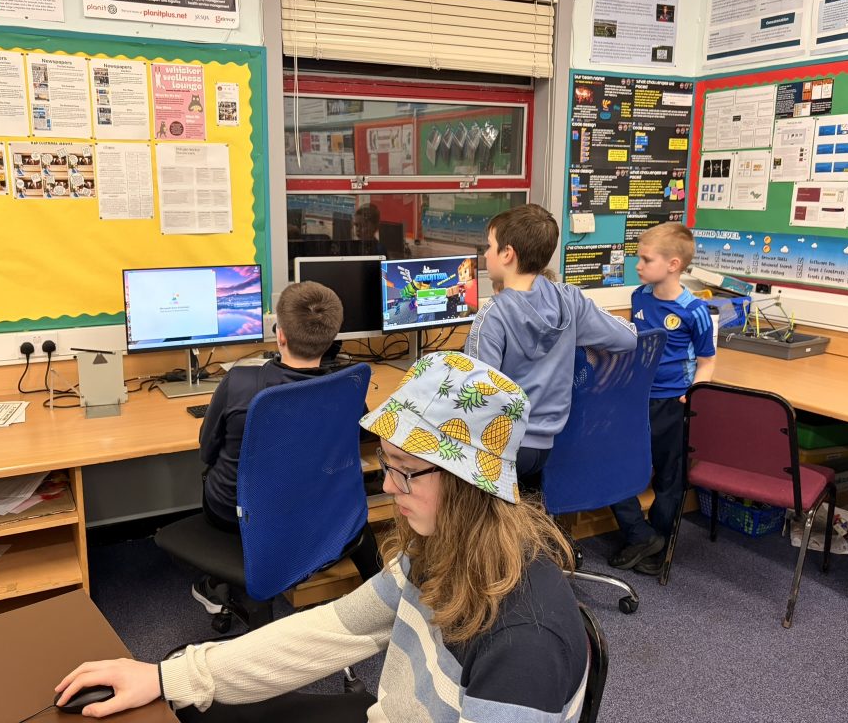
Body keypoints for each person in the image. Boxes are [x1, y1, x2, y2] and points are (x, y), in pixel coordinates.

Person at [55, 351, 589, 721]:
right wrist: (167, 678)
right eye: (387, 463)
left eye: (405, 471)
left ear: (469, 485)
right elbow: (337, 628)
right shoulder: (443, 547)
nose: (388, 485)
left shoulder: (526, 646)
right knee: (191, 690)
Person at [464, 203, 637, 493]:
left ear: (507, 254)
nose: (485, 254)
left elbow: (476, 398)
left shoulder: (492, 315)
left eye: (489, 246)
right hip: (549, 446)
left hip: (505, 448)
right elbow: (628, 338)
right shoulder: (569, 299)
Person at [608, 222, 716, 576]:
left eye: (646, 259)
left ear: (673, 265)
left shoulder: (694, 310)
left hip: (673, 404)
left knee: (669, 480)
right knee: (615, 467)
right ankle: (640, 535)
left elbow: (707, 361)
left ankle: (661, 542)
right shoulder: (639, 297)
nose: (638, 265)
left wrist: (694, 392)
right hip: (637, 400)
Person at [199, 281, 344, 533]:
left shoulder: (238, 382)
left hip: (233, 514)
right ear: (333, 337)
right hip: (309, 507)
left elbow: (207, 452)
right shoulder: (345, 386)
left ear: (280, 335)